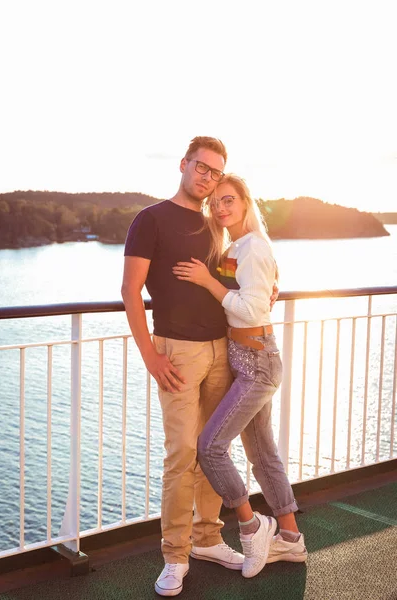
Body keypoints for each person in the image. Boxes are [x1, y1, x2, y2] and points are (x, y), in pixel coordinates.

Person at [121, 137, 245, 597]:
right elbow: (130, 290)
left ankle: (208, 538)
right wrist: (150, 355)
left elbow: (232, 275)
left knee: (212, 449)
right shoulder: (150, 220)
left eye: (215, 172)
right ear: (184, 165)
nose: (207, 177)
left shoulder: (218, 224)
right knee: (181, 455)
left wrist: (264, 288)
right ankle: (175, 554)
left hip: (222, 349)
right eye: (202, 167)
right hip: (177, 351)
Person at [172, 173, 307, 579]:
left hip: (257, 362)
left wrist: (208, 282)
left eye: (228, 200)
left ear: (246, 202)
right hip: (247, 357)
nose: (221, 208)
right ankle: (291, 538)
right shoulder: (239, 246)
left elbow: (249, 310)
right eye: (215, 202)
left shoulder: (251, 247)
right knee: (263, 455)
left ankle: (252, 526)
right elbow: (255, 293)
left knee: (209, 447)